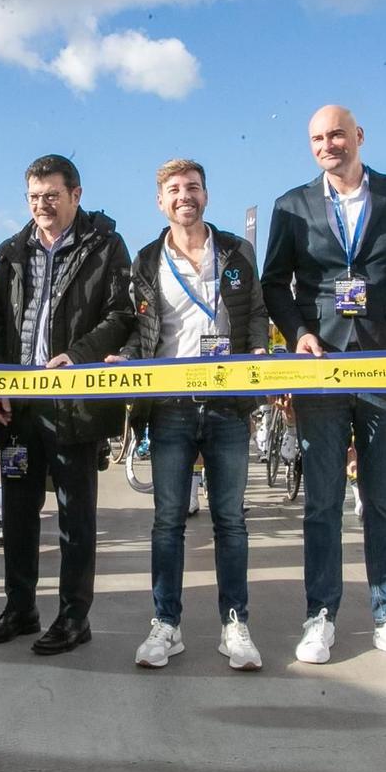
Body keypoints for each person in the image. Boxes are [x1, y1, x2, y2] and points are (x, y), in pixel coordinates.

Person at [262, 105, 386, 669]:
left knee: (382, 502)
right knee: (322, 502)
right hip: (321, 374)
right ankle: (321, 616)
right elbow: (274, 281)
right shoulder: (291, 206)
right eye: (317, 137)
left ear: (359, 136)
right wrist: (297, 334)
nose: (328, 144)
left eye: (337, 134)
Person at [0, 154, 134, 656]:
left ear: (76, 195)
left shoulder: (106, 247)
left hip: (74, 403)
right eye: (34, 197)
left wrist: (79, 355)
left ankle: (73, 616)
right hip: (19, 407)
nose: (42, 205)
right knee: (19, 512)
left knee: (75, 516)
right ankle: (20, 608)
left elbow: (121, 314)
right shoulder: (11, 253)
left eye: (51, 195)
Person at [120, 159, 266, 671]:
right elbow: (140, 330)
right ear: (160, 202)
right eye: (175, 190)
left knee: (231, 521)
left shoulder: (235, 252)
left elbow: (256, 316)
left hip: (227, 403)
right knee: (167, 522)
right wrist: (128, 364)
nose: (185, 196)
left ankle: (235, 624)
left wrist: (258, 371)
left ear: (207, 194)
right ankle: (166, 625)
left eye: (193, 188)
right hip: (170, 406)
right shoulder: (144, 260)